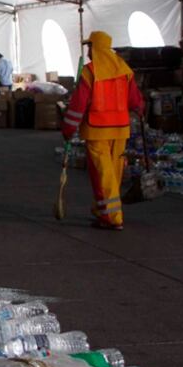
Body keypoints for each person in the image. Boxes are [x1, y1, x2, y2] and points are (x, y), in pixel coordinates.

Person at [61, 31, 145, 231]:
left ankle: (112, 217)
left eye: (90, 46)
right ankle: (102, 211)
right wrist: (140, 111)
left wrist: (68, 128)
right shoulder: (124, 70)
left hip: (97, 130)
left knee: (102, 175)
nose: (88, 51)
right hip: (120, 130)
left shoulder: (90, 71)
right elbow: (135, 100)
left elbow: (79, 103)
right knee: (113, 173)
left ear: (96, 47)